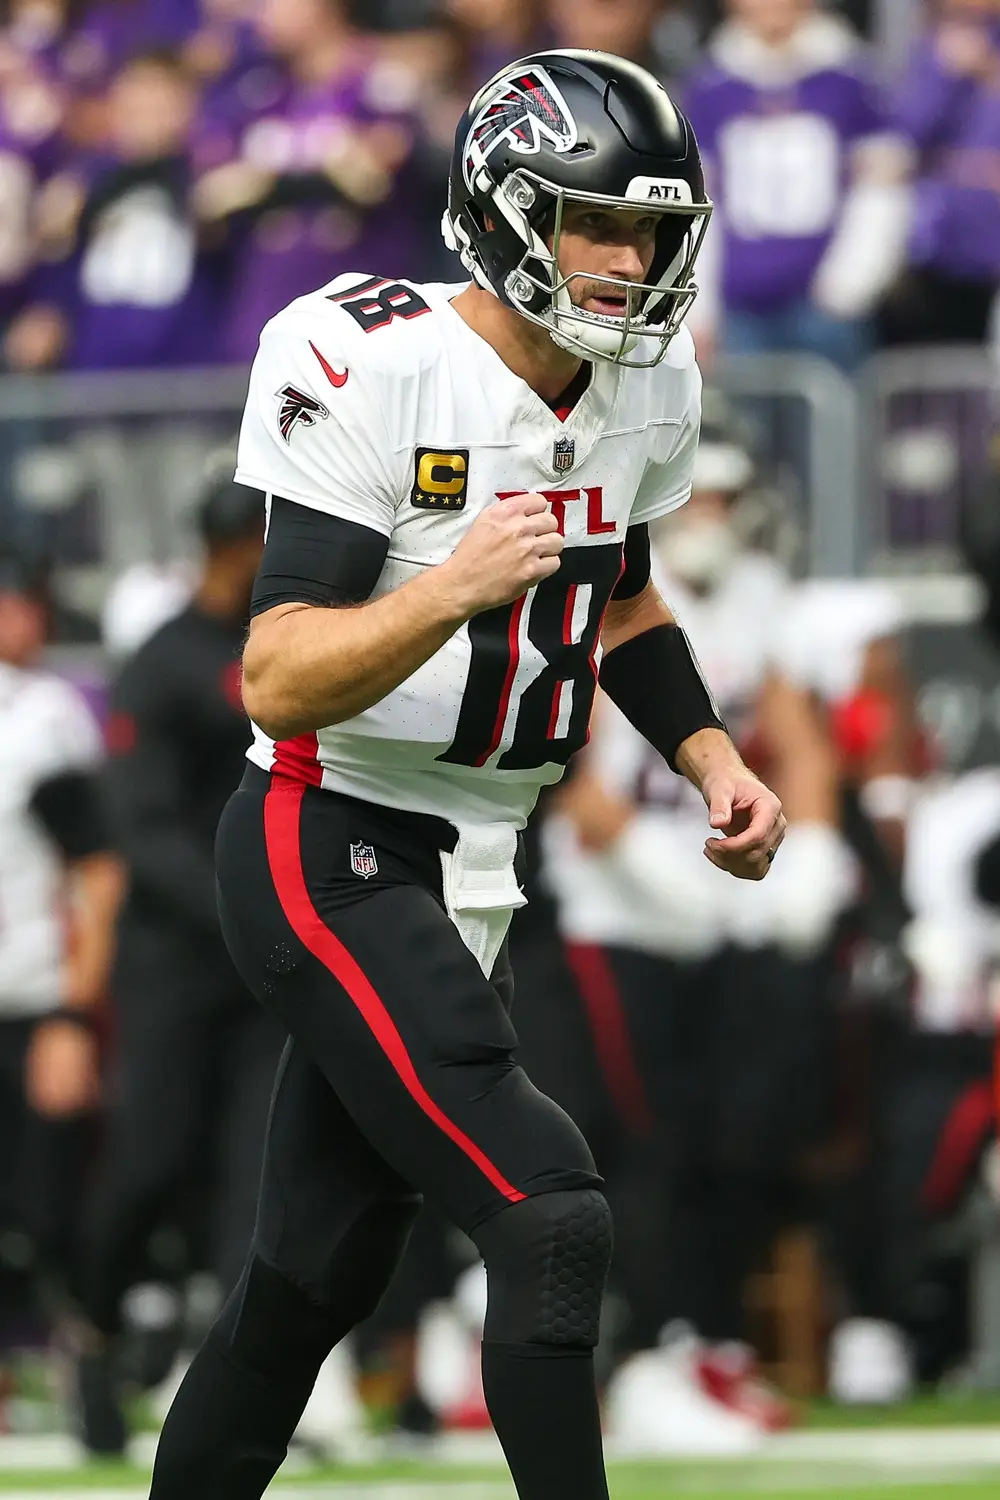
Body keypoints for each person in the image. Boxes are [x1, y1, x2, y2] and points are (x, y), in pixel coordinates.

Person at [148, 50, 785, 1500]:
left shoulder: (645, 386)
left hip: (483, 858)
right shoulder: (370, 355)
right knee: (549, 1210)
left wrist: (707, 754)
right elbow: (275, 672)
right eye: (596, 226)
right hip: (332, 832)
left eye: (651, 231)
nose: (629, 264)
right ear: (506, 212)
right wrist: (446, 589)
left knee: (308, 1284)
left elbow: (617, 601)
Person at [547, 412, 855, 1452]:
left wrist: (810, 849)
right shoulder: (605, 593)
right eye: (699, 499)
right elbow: (567, 774)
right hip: (611, 914)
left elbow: (800, 742)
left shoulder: (759, 605)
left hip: (716, 910)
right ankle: (639, 1352)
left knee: (731, 1138)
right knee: (637, 1141)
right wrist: (640, 861)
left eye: (726, 500)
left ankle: (693, 1346)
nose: (712, 518)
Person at [72, 479, 284, 1456]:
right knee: (151, 1160)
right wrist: (238, 901)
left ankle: (234, 1384)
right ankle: (92, 1331)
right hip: (176, 957)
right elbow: (140, 827)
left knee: (255, 1173)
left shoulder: (288, 645)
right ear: (232, 548)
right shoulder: (164, 665)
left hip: (265, 964)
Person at [0, 547, 121, 1359]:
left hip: (31, 996)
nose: (27, 619)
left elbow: (98, 874)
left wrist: (75, 1013)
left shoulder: (41, 715)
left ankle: (92, 1365)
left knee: (49, 1216)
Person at [683, 0, 910, 371]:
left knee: (834, 423)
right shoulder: (710, 88)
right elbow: (699, 204)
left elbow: (882, 187)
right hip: (739, 312)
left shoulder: (852, 79)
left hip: (826, 312)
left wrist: (849, 285)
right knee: (746, 426)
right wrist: (700, 307)